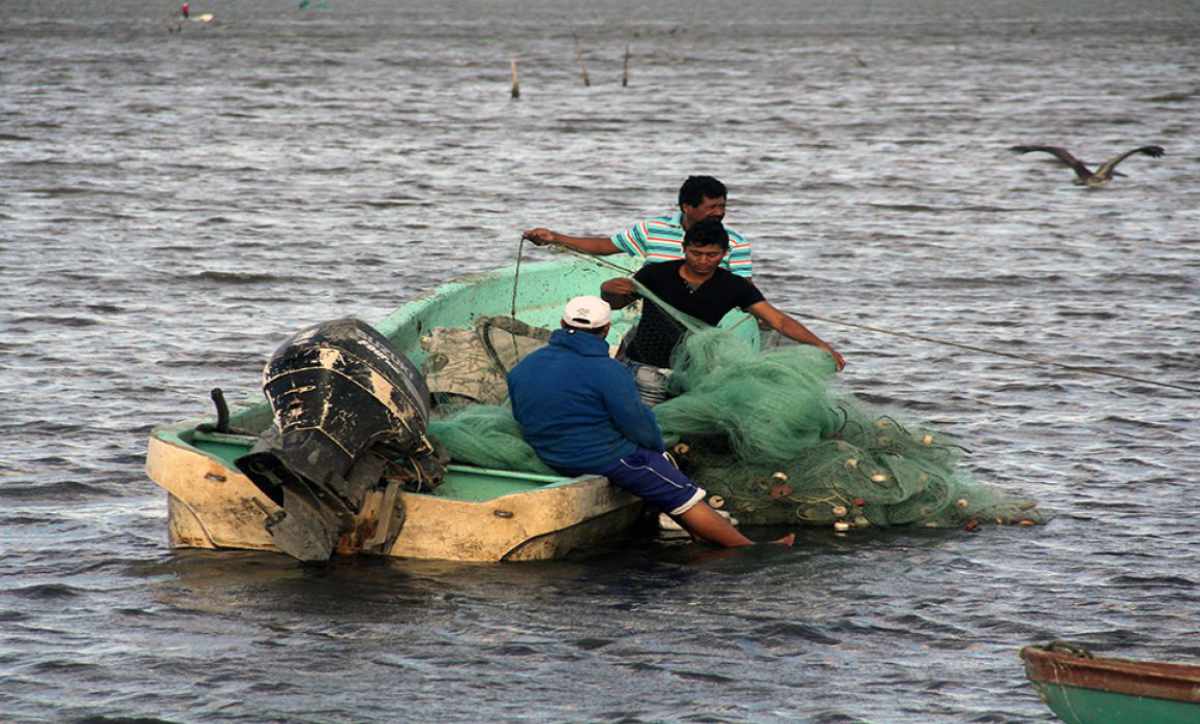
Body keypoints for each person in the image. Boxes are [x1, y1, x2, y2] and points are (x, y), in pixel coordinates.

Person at [506, 295, 793, 548]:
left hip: (546, 451)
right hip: (598, 457)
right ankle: (742, 547)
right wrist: (655, 448)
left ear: (561, 323)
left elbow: (521, 412)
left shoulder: (528, 364)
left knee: (661, 476)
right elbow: (637, 423)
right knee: (679, 488)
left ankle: (701, 535)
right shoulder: (607, 370)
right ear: (605, 329)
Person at [601, 218, 846, 373]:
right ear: (684, 248)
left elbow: (778, 321)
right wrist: (609, 290)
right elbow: (616, 303)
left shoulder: (733, 286)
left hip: (690, 370)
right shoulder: (656, 273)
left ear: (724, 253)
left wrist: (823, 347)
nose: (703, 261)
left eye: (712, 255)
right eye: (696, 253)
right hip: (642, 362)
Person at [522, 175, 753, 278]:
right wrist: (554, 237)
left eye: (722, 206)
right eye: (711, 207)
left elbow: (744, 290)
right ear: (686, 207)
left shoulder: (736, 242)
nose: (719, 213)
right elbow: (604, 245)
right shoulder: (651, 230)